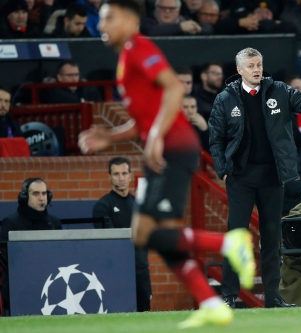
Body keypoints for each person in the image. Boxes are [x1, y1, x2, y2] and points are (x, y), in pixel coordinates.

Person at [78, 0, 255, 328]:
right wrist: (110, 138)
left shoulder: (139, 46)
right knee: (150, 234)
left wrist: (157, 135)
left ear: (131, 20)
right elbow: (143, 120)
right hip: (163, 149)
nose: (101, 26)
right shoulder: (125, 58)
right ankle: (211, 302)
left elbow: (173, 87)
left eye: (109, 19)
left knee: (147, 233)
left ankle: (229, 245)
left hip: (174, 148)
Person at [209, 47, 301, 309]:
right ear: (239, 70)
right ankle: (228, 295)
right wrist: (222, 167)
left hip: (272, 175)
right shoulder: (225, 99)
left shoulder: (279, 90)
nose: (257, 69)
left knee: (271, 236)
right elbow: (215, 137)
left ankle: (273, 296)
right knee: (237, 235)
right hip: (241, 177)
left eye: (259, 64)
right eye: (251, 66)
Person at [92, 157, 151, 312]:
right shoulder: (102, 206)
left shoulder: (138, 204)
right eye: (116, 174)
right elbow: (110, 241)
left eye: (124, 173)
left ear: (130, 176)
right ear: (110, 177)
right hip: (116, 270)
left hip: (140, 268)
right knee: (119, 314)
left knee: (144, 312)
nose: (121, 178)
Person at [0, 178, 62, 314]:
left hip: (51, 287)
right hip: (19, 289)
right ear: (24, 197)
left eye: (44, 194)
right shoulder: (10, 224)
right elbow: (7, 259)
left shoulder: (54, 222)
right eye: (35, 194)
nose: (41, 198)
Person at [140, 0, 211, 36]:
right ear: (157, 9)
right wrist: (180, 27)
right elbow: (151, 31)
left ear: (178, 11)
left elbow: (208, 28)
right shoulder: (147, 20)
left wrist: (199, 29)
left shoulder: (183, 20)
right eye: (163, 8)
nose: (167, 12)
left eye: (171, 9)